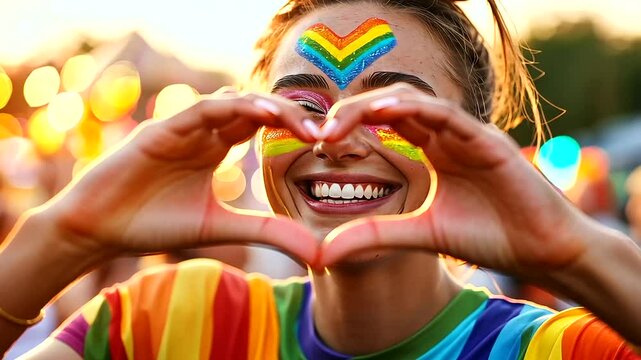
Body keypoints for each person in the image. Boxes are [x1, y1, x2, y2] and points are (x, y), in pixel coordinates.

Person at [1, 0, 640, 358]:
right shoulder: (167, 326)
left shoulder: (557, 350)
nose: (334, 138)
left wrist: (576, 251)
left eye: (391, 108)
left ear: (476, 142)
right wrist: (66, 231)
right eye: (301, 108)